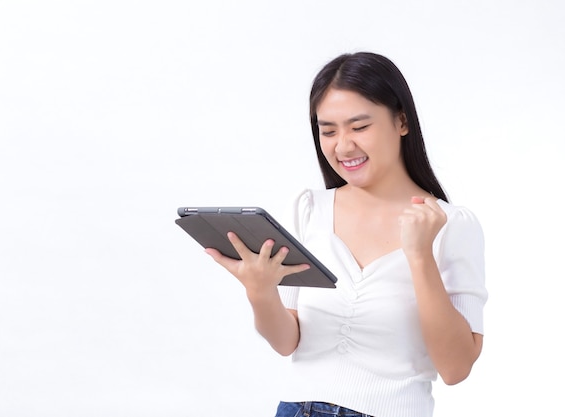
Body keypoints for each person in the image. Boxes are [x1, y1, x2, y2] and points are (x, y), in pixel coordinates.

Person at [205, 52, 488, 417]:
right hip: (295, 409)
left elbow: (455, 368)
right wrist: (259, 291)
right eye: (328, 130)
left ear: (401, 121)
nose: (343, 146)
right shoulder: (310, 210)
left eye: (359, 127)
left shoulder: (450, 225)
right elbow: (288, 341)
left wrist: (420, 257)